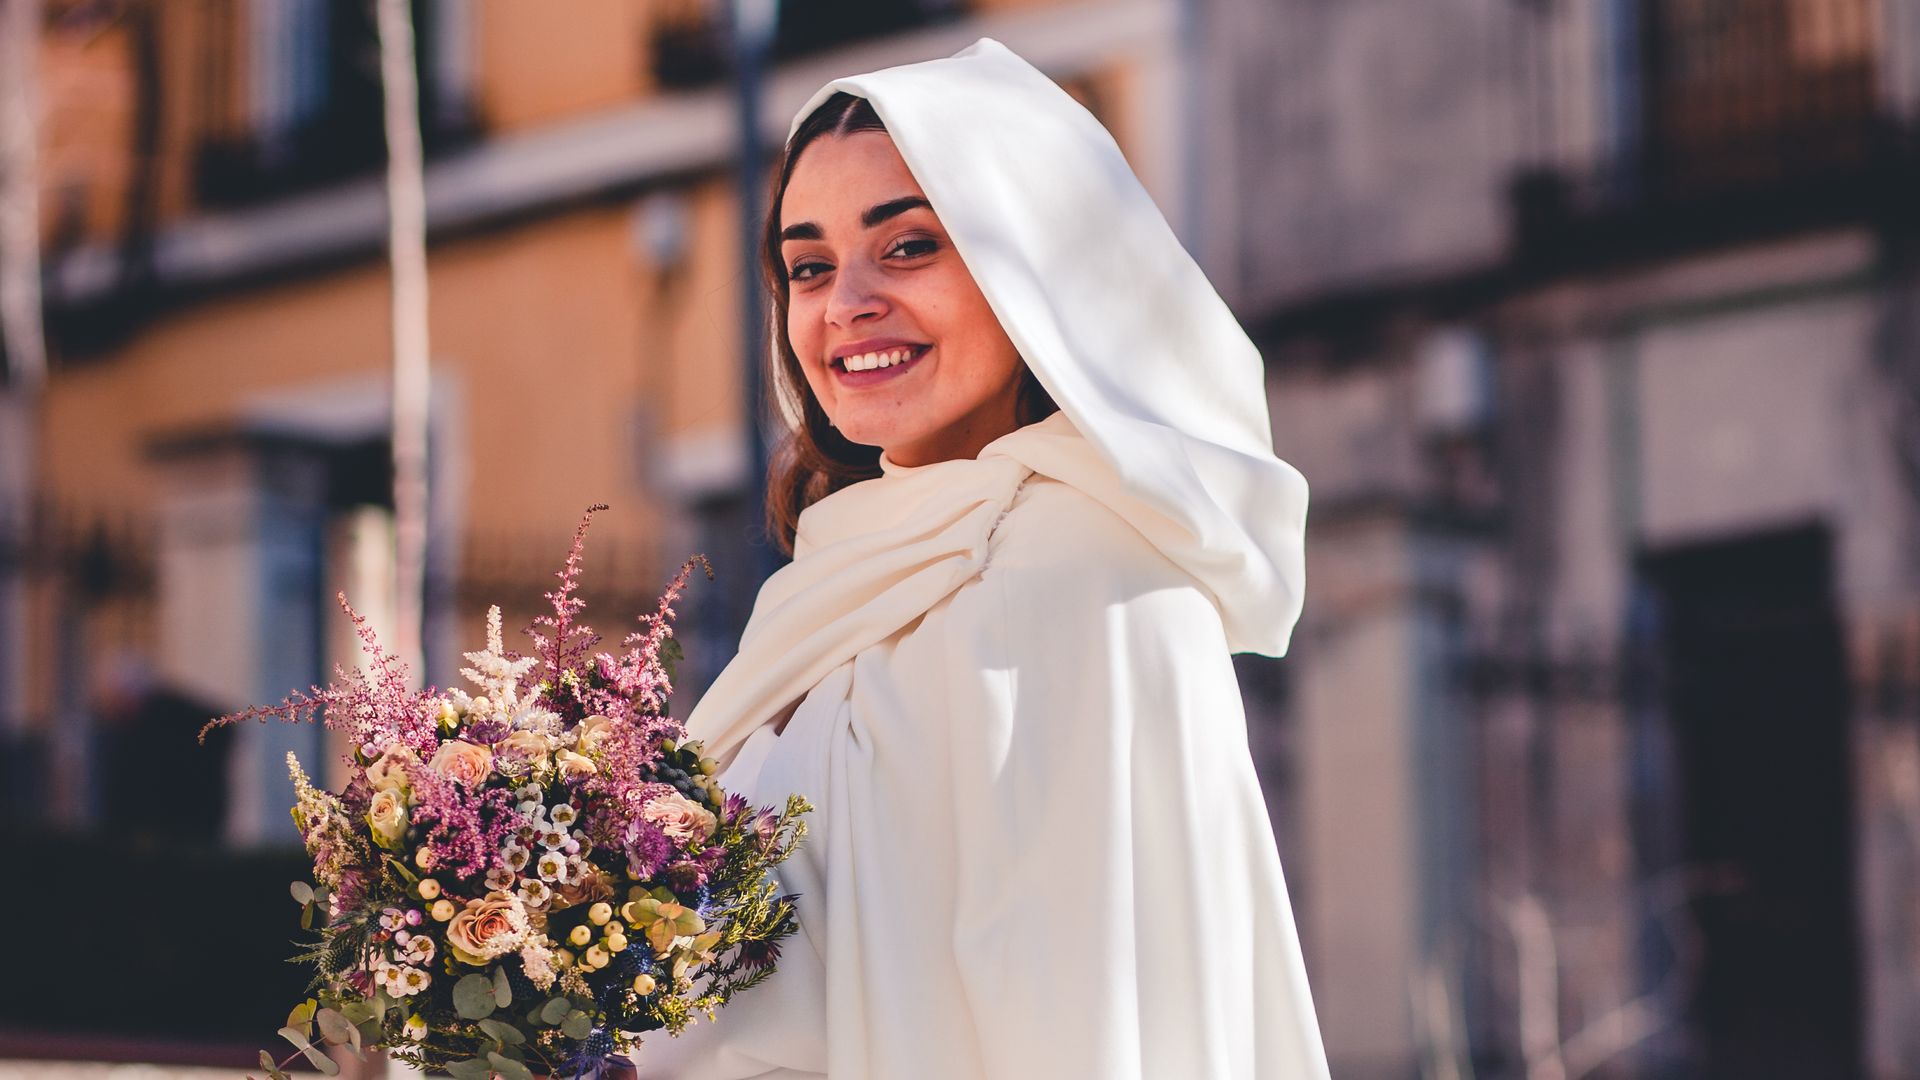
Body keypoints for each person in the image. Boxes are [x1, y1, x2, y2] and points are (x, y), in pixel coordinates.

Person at [633, 37, 1328, 1079]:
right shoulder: (825, 593)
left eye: (908, 245)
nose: (847, 304)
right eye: (809, 266)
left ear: (1031, 271)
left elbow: (1082, 1023)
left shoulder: (1089, 574)